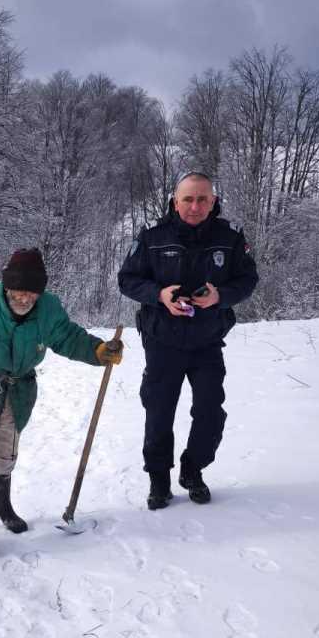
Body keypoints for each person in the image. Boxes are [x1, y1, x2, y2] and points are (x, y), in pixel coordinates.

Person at [0, 247, 123, 558]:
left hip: (19, 392)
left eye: (32, 293)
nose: (25, 299)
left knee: (5, 455)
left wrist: (97, 351)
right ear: (6, 286)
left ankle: (0, 505)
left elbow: (67, 337)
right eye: (18, 291)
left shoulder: (49, 308)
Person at [118, 172, 258, 509]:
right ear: (174, 201)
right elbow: (127, 280)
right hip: (162, 341)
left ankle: (193, 470)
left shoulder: (230, 238)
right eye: (188, 199)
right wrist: (159, 294)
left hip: (207, 341)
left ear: (213, 201)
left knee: (210, 412)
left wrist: (220, 296)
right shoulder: (152, 238)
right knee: (159, 412)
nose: (195, 206)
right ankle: (159, 481)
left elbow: (248, 279)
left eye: (202, 199)